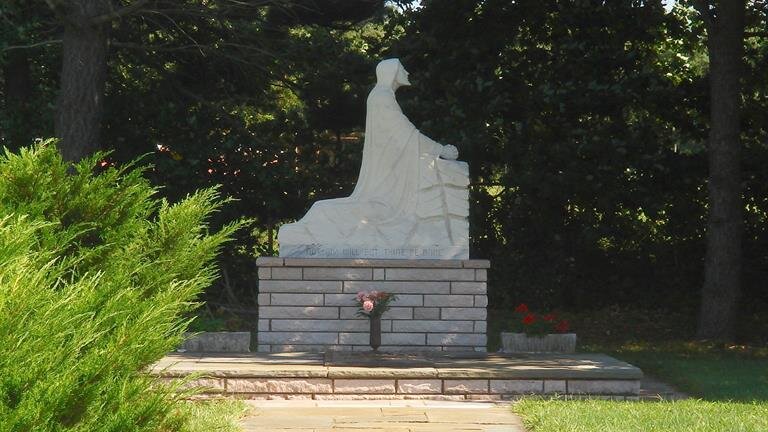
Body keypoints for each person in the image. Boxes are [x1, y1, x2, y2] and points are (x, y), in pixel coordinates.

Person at [278, 58, 469, 259]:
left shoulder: (381, 96)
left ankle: (303, 232)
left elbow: (402, 136)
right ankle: (303, 235)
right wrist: (440, 150)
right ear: (393, 72)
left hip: (388, 180)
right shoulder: (382, 97)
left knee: (327, 209)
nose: (407, 72)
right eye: (402, 69)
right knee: (337, 210)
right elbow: (405, 133)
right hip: (385, 189)